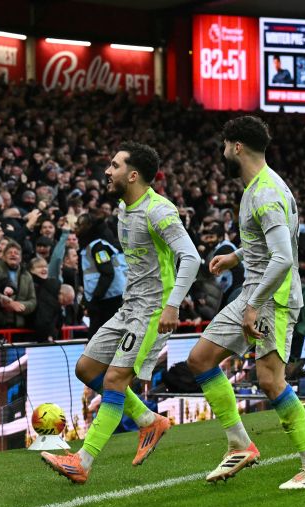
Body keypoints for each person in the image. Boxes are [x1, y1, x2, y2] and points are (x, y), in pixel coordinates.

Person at [40, 142, 201, 483]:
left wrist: (172, 304)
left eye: (114, 166)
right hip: (129, 306)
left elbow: (191, 257)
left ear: (132, 174)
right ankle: (148, 420)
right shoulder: (124, 210)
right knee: (86, 369)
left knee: (114, 380)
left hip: (153, 310)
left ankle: (82, 461)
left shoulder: (159, 211)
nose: (107, 172)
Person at [186, 116, 305, 489]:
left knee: (270, 381)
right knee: (200, 359)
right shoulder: (256, 187)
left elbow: (283, 259)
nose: (221, 153)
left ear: (236, 147)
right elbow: (269, 248)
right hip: (255, 292)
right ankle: (239, 443)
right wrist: (236, 257)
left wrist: (253, 305)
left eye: (223, 146)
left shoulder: (265, 193)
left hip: (273, 299)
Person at [76, 212, 127, 337]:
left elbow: (108, 273)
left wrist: (94, 299)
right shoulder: (90, 247)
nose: (75, 226)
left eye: (79, 224)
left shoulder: (99, 248)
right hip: (102, 302)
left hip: (107, 303)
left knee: (98, 342)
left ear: (88, 226)